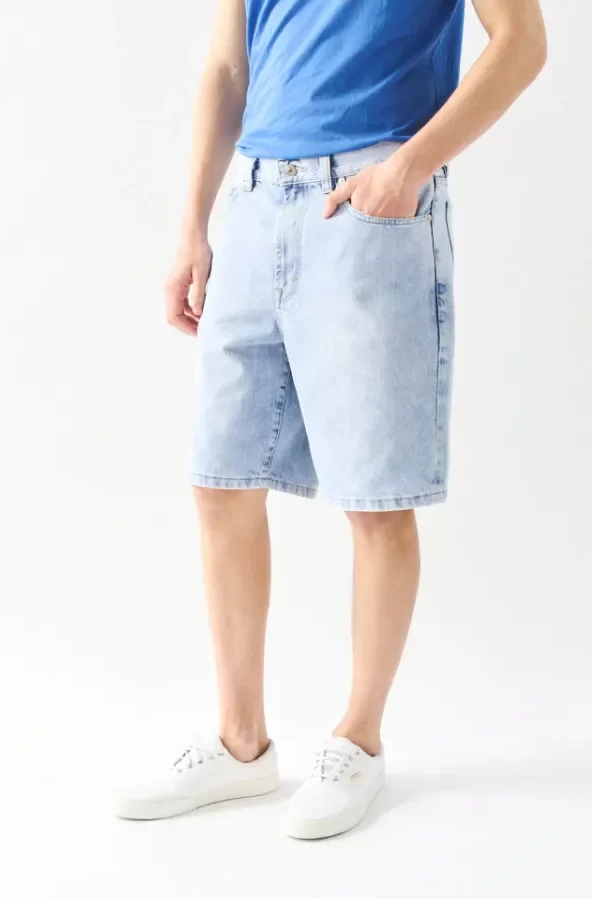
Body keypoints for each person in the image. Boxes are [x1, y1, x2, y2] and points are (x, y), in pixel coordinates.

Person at [114, 0, 546, 838]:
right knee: (220, 480)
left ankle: (359, 738)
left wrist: (409, 166)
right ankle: (241, 742)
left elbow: (522, 44)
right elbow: (228, 68)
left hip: (368, 199)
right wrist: (192, 224)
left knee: (377, 498)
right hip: (252, 200)